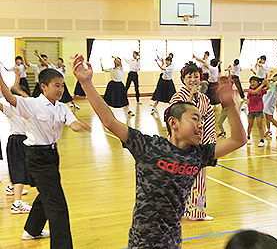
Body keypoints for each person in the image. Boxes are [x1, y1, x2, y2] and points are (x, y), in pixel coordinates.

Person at [72, 54, 247, 248]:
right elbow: (109, 121)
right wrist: (87, 83)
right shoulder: (148, 146)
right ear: (173, 123)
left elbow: (238, 140)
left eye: (201, 120)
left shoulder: (198, 155)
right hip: (143, 241)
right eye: (194, 119)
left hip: (173, 240)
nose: (200, 125)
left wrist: (230, 105)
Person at [0, 68, 90, 248]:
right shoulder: (31, 104)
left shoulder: (63, 107)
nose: (61, 89)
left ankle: (32, 230)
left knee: (47, 193)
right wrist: (0, 78)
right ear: (44, 87)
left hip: (52, 155)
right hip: (36, 156)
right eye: (56, 85)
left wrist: (79, 125)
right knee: (57, 205)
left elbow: (72, 123)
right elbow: (10, 98)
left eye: (62, 85)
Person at [169, 61, 217, 221]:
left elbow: (209, 119)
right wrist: (188, 101)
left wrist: (209, 142)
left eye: (196, 76)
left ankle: (197, 212)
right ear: (183, 79)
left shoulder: (204, 98)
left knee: (199, 179)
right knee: (178, 179)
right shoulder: (178, 97)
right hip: (180, 146)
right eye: (189, 77)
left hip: (198, 145)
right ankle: (175, 210)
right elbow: (172, 118)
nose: (193, 80)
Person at [1, 69, 34, 213]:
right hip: (17, 141)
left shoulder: (28, 107)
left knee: (21, 168)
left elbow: (26, 97)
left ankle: (12, 187)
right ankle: (17, 204)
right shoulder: (11, 109)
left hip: (25, 141)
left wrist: (18, 79)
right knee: (19, 169)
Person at [247, 76, 269, 147]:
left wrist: (267, 81)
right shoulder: (249, 91)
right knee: (250, 125)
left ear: (258, 83)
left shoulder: (261, 90)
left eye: (254, 82)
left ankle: (262, 140)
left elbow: (268, 87)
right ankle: (248, 137)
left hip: (259, 110)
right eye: (251, 82)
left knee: (260, 125)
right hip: (251, 110)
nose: (252, 83)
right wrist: (262, 84)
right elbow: (255, 92)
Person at [263, 73, 277, 138]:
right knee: (267, 116)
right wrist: (271, 78)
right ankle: (268, 130)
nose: (274, 78)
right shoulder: (271, 82)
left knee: (270, 117)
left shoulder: (276, 84)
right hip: (266, 100)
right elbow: (265, 81)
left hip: (271, 101)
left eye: (276, 77)